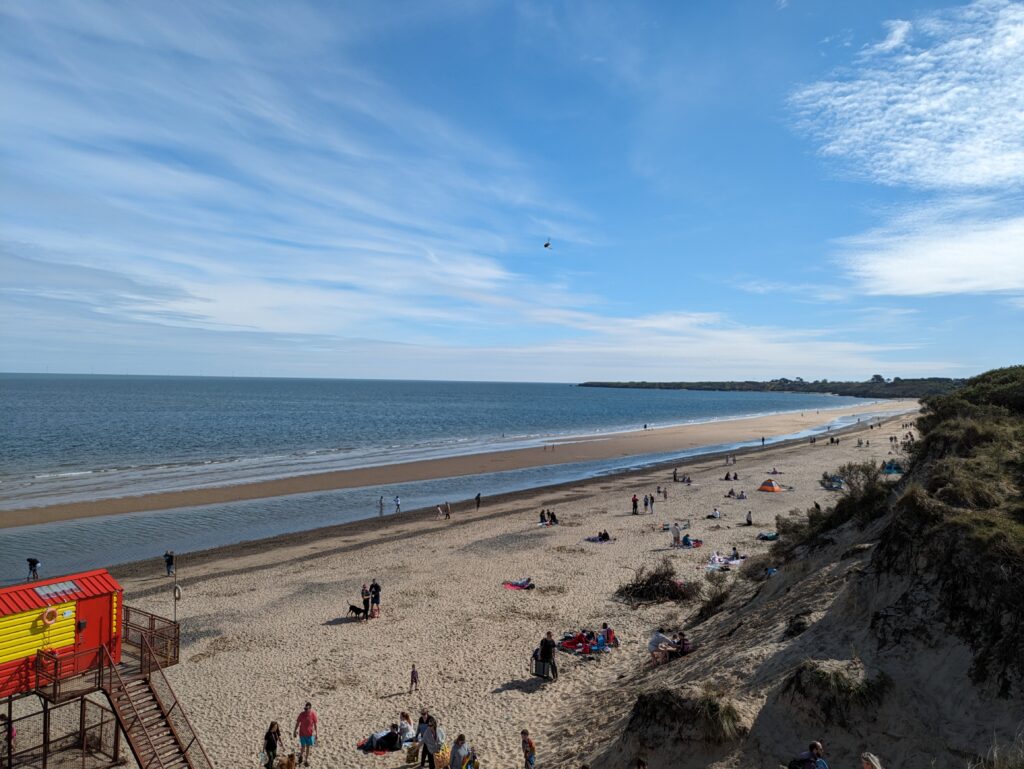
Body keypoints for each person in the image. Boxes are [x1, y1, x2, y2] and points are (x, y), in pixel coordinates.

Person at [293, 702, 318, 767]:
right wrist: (295, 731)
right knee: (303, 746)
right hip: (302, 733)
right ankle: (301, 756)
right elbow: (298, 723)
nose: (305, 710)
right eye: (305, 709)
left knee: (308, 747)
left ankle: (306, 760)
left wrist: (316, 733)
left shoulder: (313, 714)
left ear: (310, 708)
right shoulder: (301, 714)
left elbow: (315, 724)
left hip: (310, 734)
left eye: (307, 709)